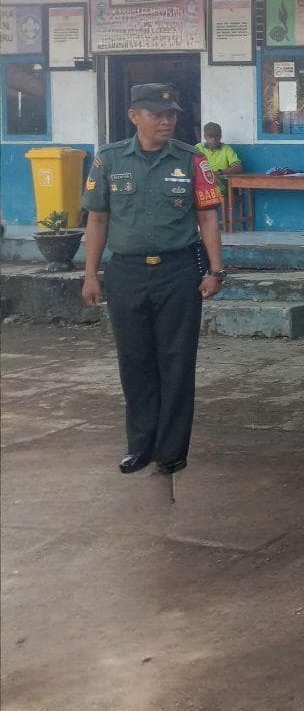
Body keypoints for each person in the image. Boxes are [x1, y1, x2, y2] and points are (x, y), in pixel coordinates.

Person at [80, 83, 225, 475]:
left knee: (177, 360)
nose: (166, 121)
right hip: (125, 273)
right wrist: (90, 274)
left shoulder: (192, 160)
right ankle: (140, 446)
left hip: (178, 272)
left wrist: (216, 270)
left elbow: (207, 218)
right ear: (134, 116)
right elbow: (97, 219)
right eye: (157, 114)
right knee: (134, 360)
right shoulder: (109, 160)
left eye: (171, 114)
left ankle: (171, 450)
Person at [196, 122, 243, 197]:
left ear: (221, 136)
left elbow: (238, 167)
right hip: (203, 184)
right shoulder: (198, 148)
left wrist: (219, 172)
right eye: (210, 136)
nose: (214, 139)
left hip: (221, 184)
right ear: (205, 137)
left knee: (219, 183)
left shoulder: (226, 149)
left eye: (217, 136)